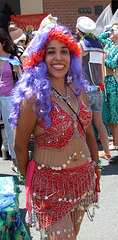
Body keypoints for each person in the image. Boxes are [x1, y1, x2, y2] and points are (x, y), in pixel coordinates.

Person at [9, 23, 101, 240]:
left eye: (64, 51)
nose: (58, 57)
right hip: (50, 187)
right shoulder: (33, 98)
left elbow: (88, 133)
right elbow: (20, 146)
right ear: (40, 57)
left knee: (73, 236)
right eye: (51, 52)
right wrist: (32, 181)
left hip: (82, 180)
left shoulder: (77, 90)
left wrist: (96, 167)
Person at [76, 16, 111, 160]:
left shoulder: (81, 45)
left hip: (85, 91)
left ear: (79, 31)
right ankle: (107, 152)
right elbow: (102, 69)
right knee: (99, 122)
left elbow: (76, 69)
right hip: (98, 90)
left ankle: (88, 155)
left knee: (84, 124)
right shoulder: (99, 46)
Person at [0, 28, 21, 175]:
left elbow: (22, 81)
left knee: (12, 131)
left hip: (9, 97)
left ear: (3, 43)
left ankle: (14, 161)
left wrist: (18, 71)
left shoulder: (13, 59)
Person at [98, 23, 118, 151]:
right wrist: (111, 31)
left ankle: (116, 143)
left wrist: (102, 58)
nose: (111, 31)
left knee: (114, 114)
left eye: (113, 30)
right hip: (106, 80)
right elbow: (100, 37)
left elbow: (112, 64)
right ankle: (115, 141)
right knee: (109, 114)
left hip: (114, 82)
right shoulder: (110, 44)